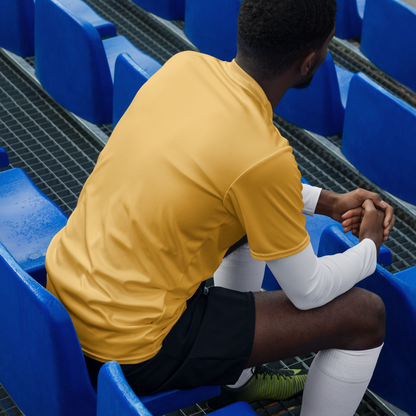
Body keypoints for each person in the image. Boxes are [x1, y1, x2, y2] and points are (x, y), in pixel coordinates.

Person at [45, 0, 395, 414]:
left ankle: (238, 383)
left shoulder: (183, 68)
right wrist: (368, 249)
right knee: (364, 316)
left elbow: (229, 180)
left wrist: (327, 202)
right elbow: (308, 290)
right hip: (131, 346)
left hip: (65, 303)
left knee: (245, 224)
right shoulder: (264, 155)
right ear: (309, 62)